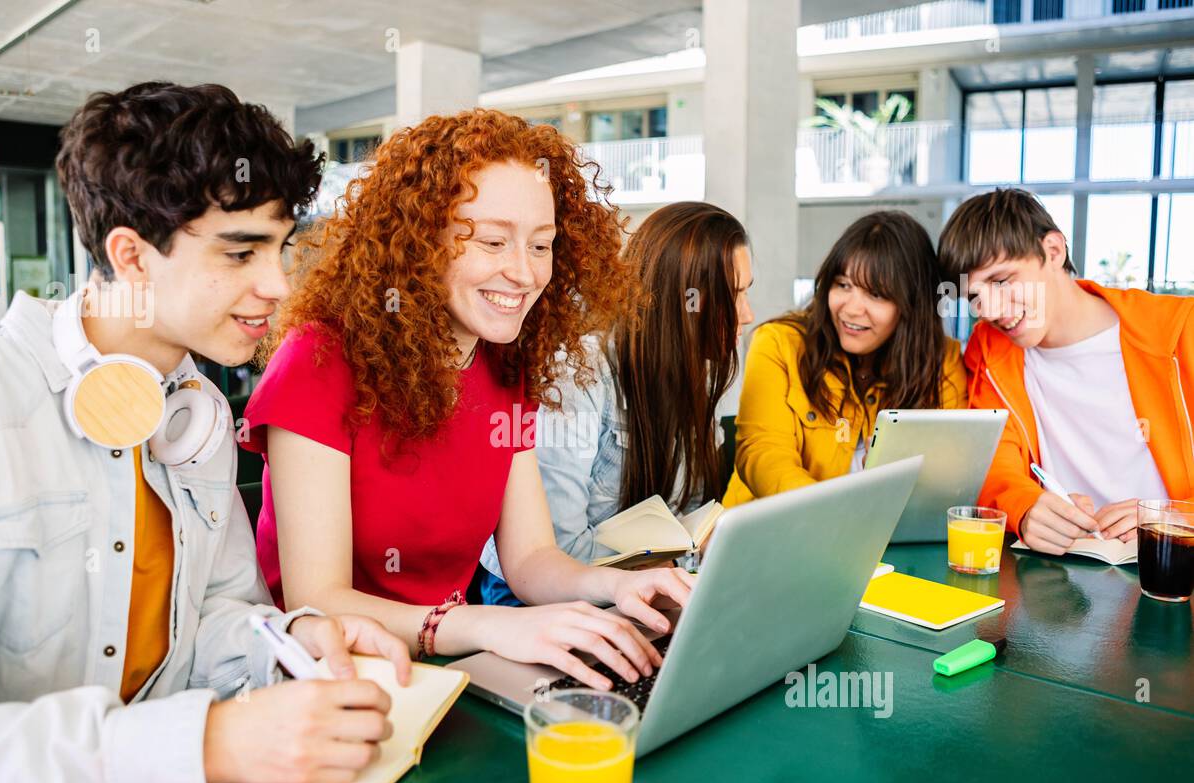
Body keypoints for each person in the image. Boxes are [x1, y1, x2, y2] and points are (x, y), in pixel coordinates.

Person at [0, 82, 410, 783]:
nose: (279, 285)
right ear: (130, 255)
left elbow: (213, 616)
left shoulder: (193, 407)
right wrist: (204, 744)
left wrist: (289, 640)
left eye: (280, 247)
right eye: (241, 251)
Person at [242, 108, 695, 693]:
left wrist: (613, 586)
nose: (524, 273)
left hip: (455, 665)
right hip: (325, 678)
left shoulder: (503, 362)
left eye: (542, 245)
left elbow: (530, 558)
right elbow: (320, 601)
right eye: (491, 241)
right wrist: (488, 625)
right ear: (417, 241)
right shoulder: (319, 361)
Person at [477, 201, 753, 604]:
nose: (747, 314)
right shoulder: (581, 372)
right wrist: (656, 569)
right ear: (685, 301)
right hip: (530, 598)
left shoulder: (700, 374)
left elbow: (685, 519)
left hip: (634, 590)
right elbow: (556, 551)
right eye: (735, 295)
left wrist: (706, 540)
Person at [939, 187, 1194, 554]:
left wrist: (1174, 519)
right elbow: (995, 460)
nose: (990, 309)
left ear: (1053, 251)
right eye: (975, 296)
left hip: (1171, 576)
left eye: (1001, 281)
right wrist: (1026, 508)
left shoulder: (1178, 332)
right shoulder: (990, 349)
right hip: (1064, 582)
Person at [724, 210, 967, 505]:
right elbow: (763, 452)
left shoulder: (942, 360)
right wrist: (834, 513)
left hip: (889, 541)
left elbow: (951, 473)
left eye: (876, 295)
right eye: (843, 285)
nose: (851, 309)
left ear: (912, 305)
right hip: (776, 531)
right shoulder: (778, 343)